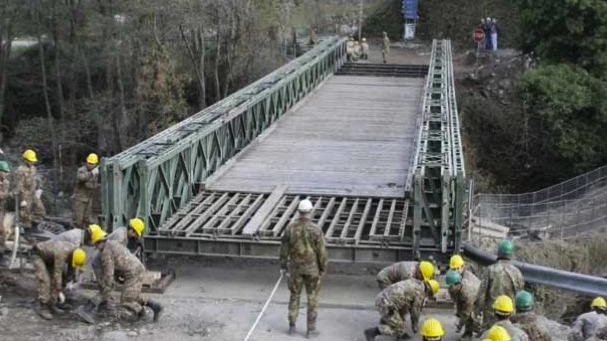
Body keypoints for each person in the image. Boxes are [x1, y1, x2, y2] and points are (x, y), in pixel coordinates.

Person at [91, 227, 163, 322]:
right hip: (136, 269)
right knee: (132, 295)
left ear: (98, 242)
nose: (96, 248)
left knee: (126, 300)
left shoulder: (105, 252)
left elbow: (109, 274)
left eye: (96, 245)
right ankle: (153, 307)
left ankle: (142, 312)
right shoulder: (112, 243)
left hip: (133, 273)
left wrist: (105, 290)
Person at [279, 199, 328, 338]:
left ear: (298, 211)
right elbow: (322, 252)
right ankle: (311, 330)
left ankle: (292, 327)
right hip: (312, 270)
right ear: (310, 211)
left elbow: (284, 249)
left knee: (294, 296)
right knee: (312, 298)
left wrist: (283, 266)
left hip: (295, 269)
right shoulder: (316, 229)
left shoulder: (290, 228)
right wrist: (323, 268)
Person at [363, 278, 440, 341]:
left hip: (383, 297)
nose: (428, 296)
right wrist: (415, 326)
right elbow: (415, 312)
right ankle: (373, 332)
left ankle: (387, 322)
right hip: (386, 305)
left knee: (401, 316)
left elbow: (407, 302)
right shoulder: (420, 293)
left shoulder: (415, 282)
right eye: (430, 294)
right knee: (399, 329)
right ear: (430, 291)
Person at [31, 238, 86, 319]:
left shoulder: (76, 252)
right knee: (46, 280)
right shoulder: (63, 252)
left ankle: (52, 304)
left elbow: (72, 268)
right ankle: (43, 306)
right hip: (38, 255)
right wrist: (60, 291)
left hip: (50, 258)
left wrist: (70, 281)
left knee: (59, 280)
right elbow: (58, 273)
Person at [475, 239, 524, 330]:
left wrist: (477, 312)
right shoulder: (517, 272)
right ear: (511, 254)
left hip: (492, 315)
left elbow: (481, 295)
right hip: (510, 315)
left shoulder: (490, 270)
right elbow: (519, 295)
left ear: (499, 252)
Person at [15, 149, 46, 228]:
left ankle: (34, 225)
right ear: (25, 160)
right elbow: (20, 185)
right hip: (25, 195)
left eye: (33, 161)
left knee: (40, 211)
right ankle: (26, 229)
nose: (32, 162)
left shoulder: (33, 168)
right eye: (30, 160)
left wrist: (39, 189)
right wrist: (23, 199)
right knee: (25, 214)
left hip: (33, 194)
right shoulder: (20, 170)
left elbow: (37, 179)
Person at [446, 269, 480, 338]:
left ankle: (478, 330)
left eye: (451, 287)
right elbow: (456, 301)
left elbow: (466, 313)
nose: (449, 289)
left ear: (457, 284)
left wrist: (459, 326)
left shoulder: (467, 293)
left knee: (471, 316)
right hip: (469, 297)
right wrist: (458, 313)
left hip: (479, 299)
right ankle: (468, 332)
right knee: (463, 313)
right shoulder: (455, 287)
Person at [72, 153, 100, 228]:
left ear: (95, 164)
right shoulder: (82, 170)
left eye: (92, 163)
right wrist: (91, 173)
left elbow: (94, 185)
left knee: (87, 219)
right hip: (80, 199)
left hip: (89, 198)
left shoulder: (95, 172)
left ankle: (84, 235)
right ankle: (76, 235)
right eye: (89, 163)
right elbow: (81, 178)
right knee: (78, 219)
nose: (90, 165)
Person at [0, 161, 11, 259]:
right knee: (1, 231)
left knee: (2, 230)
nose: (6, 174)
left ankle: (1, 252)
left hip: (2, 209)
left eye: (6, 172)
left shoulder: (6, 182)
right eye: (4, 171)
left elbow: (4, 195)